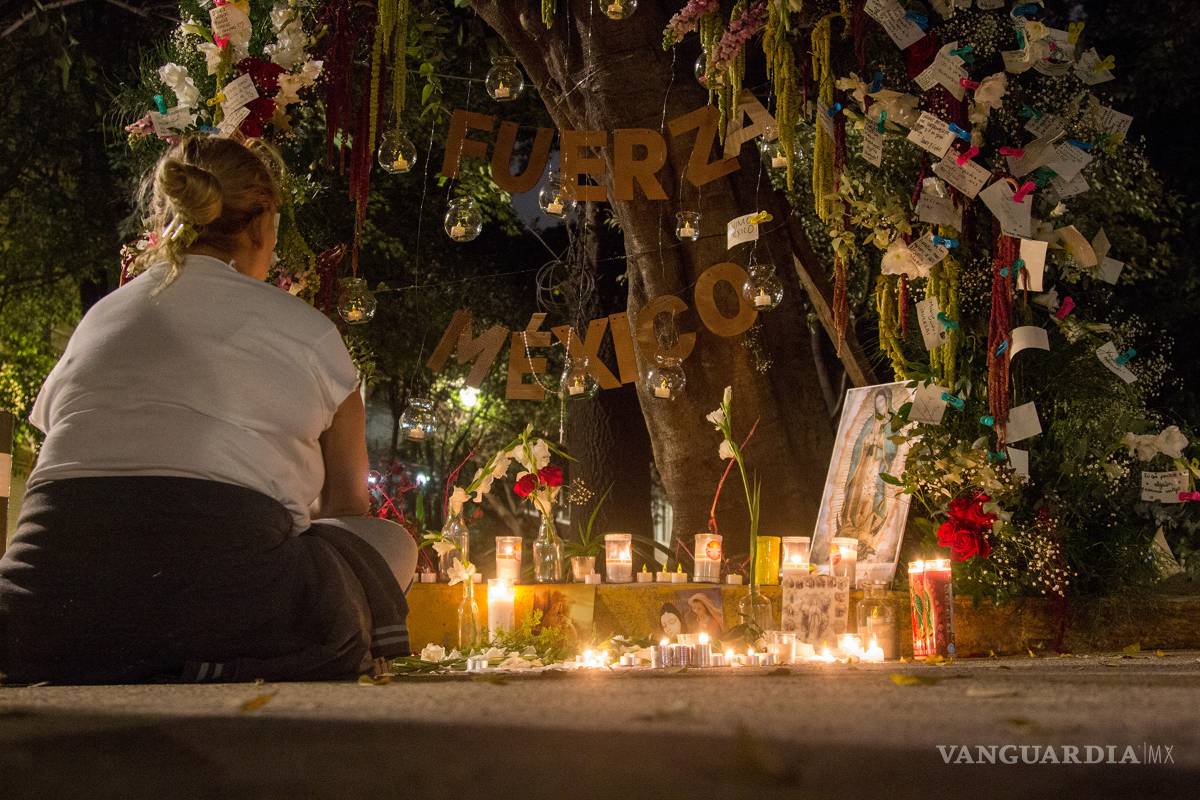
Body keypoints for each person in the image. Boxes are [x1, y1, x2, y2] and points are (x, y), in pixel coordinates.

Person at [0, 137, 416, 684]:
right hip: (221, 610)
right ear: (261, 225)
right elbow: (347, 507)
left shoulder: (100, 318)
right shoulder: (308, 330)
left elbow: (64, 453)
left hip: (39, 617)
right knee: (390, 545)